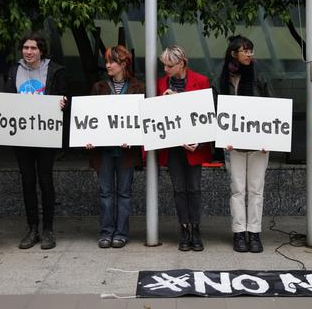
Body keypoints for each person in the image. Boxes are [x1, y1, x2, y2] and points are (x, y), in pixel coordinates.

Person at [0, 32, 67, 250]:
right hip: (21, 136)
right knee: (27, 181)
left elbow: (66, 99)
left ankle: (48, 230)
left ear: (42, 51)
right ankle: (32, 229)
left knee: (46, 181)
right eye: (26, 48)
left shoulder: (55, 70)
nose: (29, 52)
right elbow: (7, 99)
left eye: (33, 48)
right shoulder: (14, 70)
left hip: (46, 135)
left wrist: (63, 104)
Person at [212, 35, 273, 253]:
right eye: (245, 51)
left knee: (256, 189)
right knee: (237, 190)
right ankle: (239, 232)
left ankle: (254, 233)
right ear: (233, 53)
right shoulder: (220, 77)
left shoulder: (260, 73)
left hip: (259, 143)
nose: (250, 55)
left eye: (251, 50)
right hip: (233, 145)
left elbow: (273, 106)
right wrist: (222, 137)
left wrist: (271, 138)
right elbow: (216, 110)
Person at [86, 45, 145, 249]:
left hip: (126, 151)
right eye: (107, 61)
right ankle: (106, 232)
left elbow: (143, 120)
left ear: (123, 64)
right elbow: (89, 117)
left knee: (124, 193)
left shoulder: (139, 88)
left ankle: (121, 232)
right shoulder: (98, 87)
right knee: (105, 193)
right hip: (104, 151)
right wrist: (87, 137)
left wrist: (134, 137)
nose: (108, 65)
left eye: (112, 62)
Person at [157, 45, 211, 251]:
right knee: (179, 189)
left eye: (169, 65)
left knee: (194, 188)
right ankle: (184, 228)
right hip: (172, 146)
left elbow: (207, 114)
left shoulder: (201, 81)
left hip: (195, 146)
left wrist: (201, 141)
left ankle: (196, 229)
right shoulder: (161, 83)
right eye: (164, 65)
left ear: (181, 63)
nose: (166, 70)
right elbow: (157, 115)